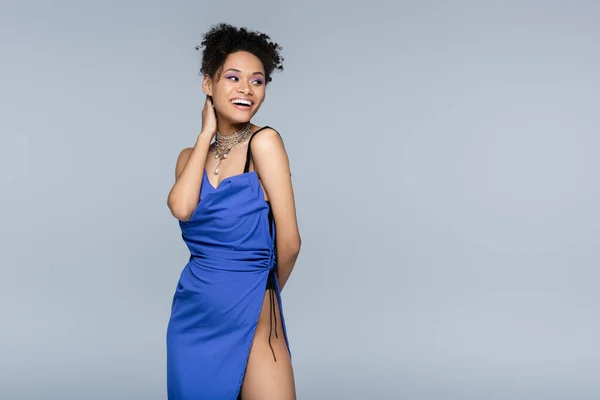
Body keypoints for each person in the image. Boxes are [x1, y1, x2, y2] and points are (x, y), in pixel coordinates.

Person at [165, 23, 301, 400]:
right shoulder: (188, 158)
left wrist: (261, 293)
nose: (246, 89)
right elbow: (182, 207)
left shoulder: (266, 143)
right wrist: (204, 134)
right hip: (195, 316)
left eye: (257, 81)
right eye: (233, 77)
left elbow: (289, 243)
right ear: (208, 84)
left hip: (254, 312)